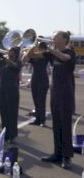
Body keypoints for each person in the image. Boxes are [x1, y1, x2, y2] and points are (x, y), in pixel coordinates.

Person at [37, 31, 75, 169]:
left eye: (56, 36)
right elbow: (29, 56)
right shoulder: (51, 53)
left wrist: (49, 48)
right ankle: (57, 154)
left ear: (64, 39)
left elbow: (64, 58)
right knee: (56, 125)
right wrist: (32, 45)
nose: (53, 38)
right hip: (54, 94)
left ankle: (67, 157)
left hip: (65, 94)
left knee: (65, 125)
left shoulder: (70, 52)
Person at [0, 47, 22, 143]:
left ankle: (12, 135)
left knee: (12, 113)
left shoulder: (18, 62)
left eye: (12, 51)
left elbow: (14, 66)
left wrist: (4, 58)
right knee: (3, 112)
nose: (10, 52)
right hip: (2, 88)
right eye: (9, 51)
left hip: (12, 89)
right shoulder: (4, 61)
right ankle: (5, 134)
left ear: (16, 53)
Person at [22, 41, 50, 126]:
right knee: (36, 100)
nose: (39, 48)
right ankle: (37, 119)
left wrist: (31, 48)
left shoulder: (46, 54)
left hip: (43, 79)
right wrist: (32, 46)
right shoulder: (33, 54)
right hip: (34, 79)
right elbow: (24, 60)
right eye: (38, 46)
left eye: (40, 46)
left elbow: (30, 55)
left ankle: (42, 120)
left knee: (41, 101)